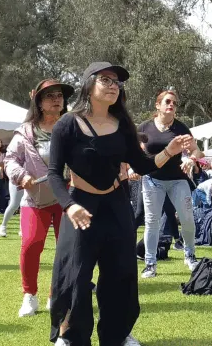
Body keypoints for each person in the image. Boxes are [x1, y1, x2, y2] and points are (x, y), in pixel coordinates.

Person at [48, 62, 183, 346]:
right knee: (75, 274)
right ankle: (71, 336)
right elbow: (53, 173)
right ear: (88, 84)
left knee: (120, 273)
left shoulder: (123, 125)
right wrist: (69, 206)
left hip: (116, 204)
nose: (113, 85)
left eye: (116, 82)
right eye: (105, 80)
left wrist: (169, 152)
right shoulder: (67, 124)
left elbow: (143, 165)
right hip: (80, 206)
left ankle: (117, 335)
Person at [5, 79, 74, 317]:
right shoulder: (26, 131)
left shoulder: (73, 127)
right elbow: (10, 160)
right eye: (50, 96)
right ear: (39, 103)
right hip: (36, 199)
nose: (56, 99)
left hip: (68, 198)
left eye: (59, 96)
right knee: (31, 244)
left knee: (67, 249)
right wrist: (21, 176)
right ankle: (29, 295)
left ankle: (56, 294)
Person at [138, 88, 203, 278]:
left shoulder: (181, 128)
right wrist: (134, 167)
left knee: (187, 219)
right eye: (167, 101)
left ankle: (190, 255)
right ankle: (150, 264)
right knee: (152, 222)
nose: (171, 105)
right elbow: (136, 151)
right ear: (157, 105)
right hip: (152, 180)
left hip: (177, 180)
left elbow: (196, 151)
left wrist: (192, 159)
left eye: (174, 103)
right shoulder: (145, 127)